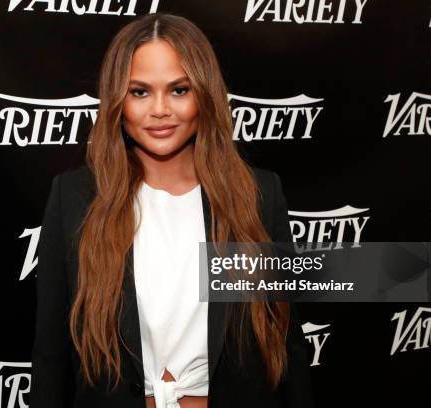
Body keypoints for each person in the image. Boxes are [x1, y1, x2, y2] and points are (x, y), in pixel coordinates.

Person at [30, 13, 313, 408]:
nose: (160, 109)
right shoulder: (76, 198)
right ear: (117, 100)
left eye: (179, 90)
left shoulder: (258, 194)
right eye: (140, 92)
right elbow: (51, 355)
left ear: (205, 94)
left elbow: (288, 343)